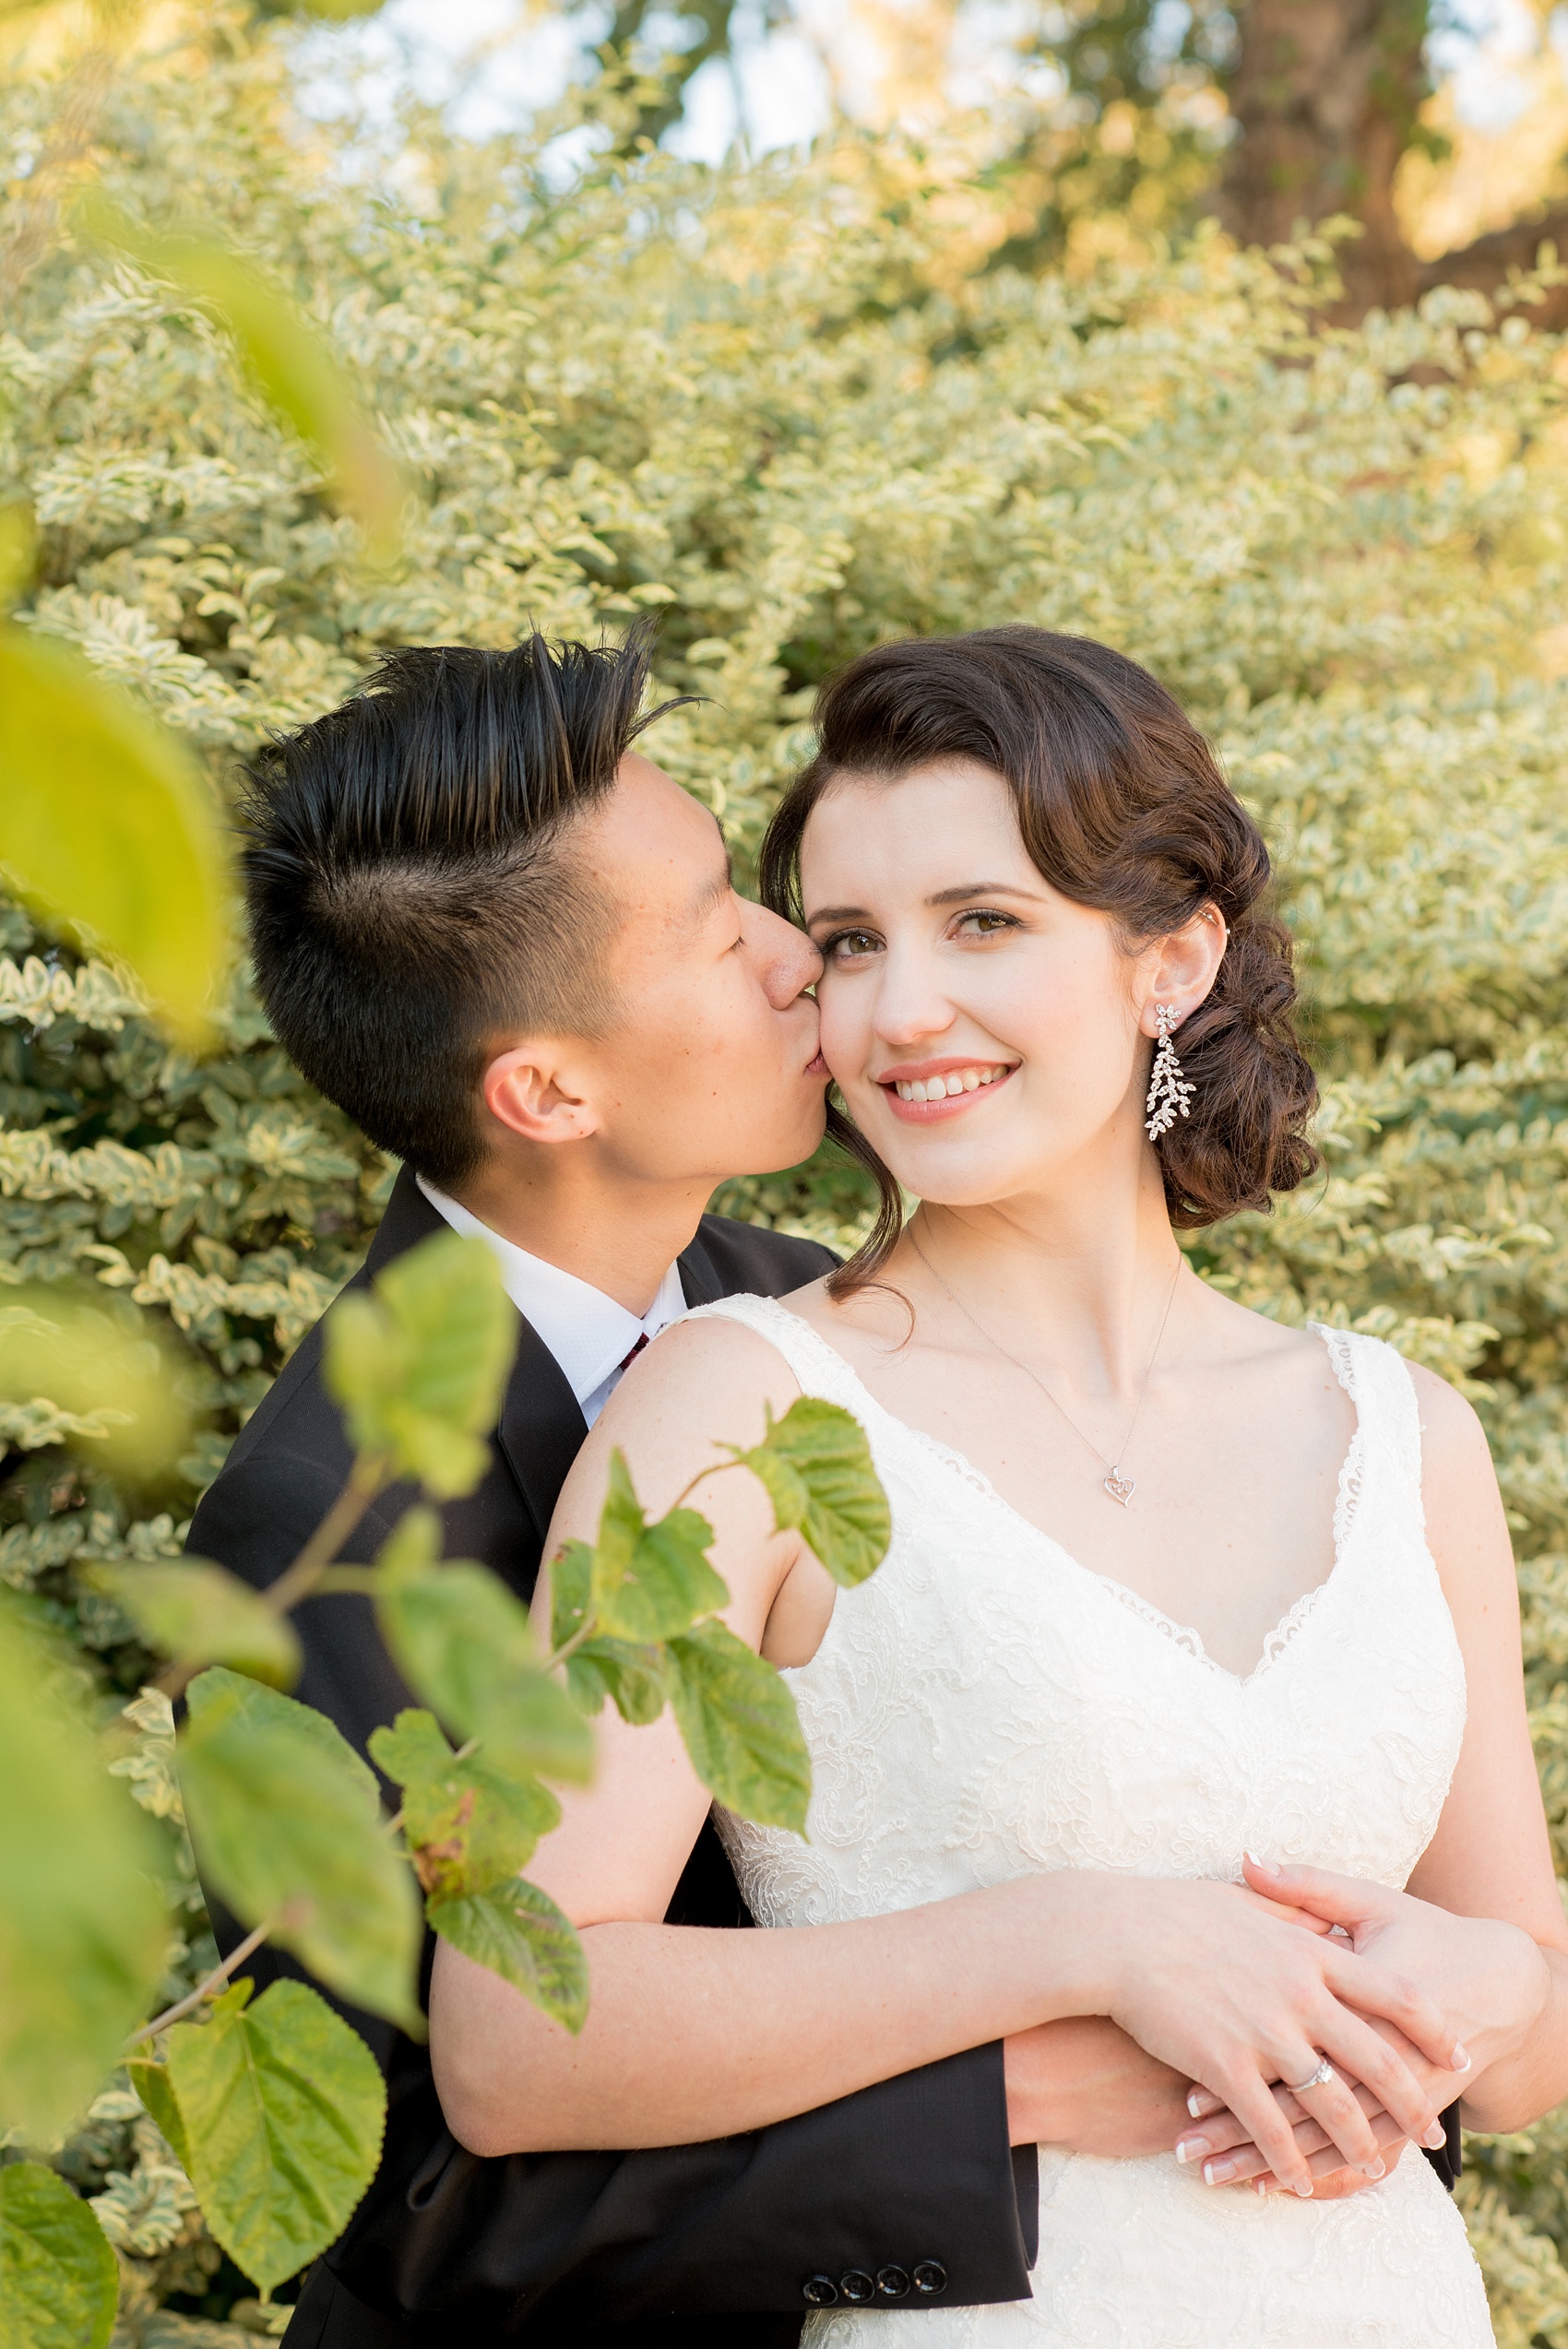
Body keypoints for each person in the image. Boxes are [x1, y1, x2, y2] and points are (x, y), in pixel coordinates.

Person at [196, 625, 1369, 2349]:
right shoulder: (322, 1526)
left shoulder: (813, 1319)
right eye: (714, 927)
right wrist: (1013, 2098)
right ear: (547, 1088)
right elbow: (408, 2191)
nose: (796, 961)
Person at [431, 627, 1568, 2345]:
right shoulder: (733, 1411)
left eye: (985, 923)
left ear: (1170, 961)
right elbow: (514, 2035)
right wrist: (1081, 1939)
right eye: (848, 943)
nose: (900, 1013)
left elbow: (1532, 2042)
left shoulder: (1403, 1434)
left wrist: (1496, 1984)